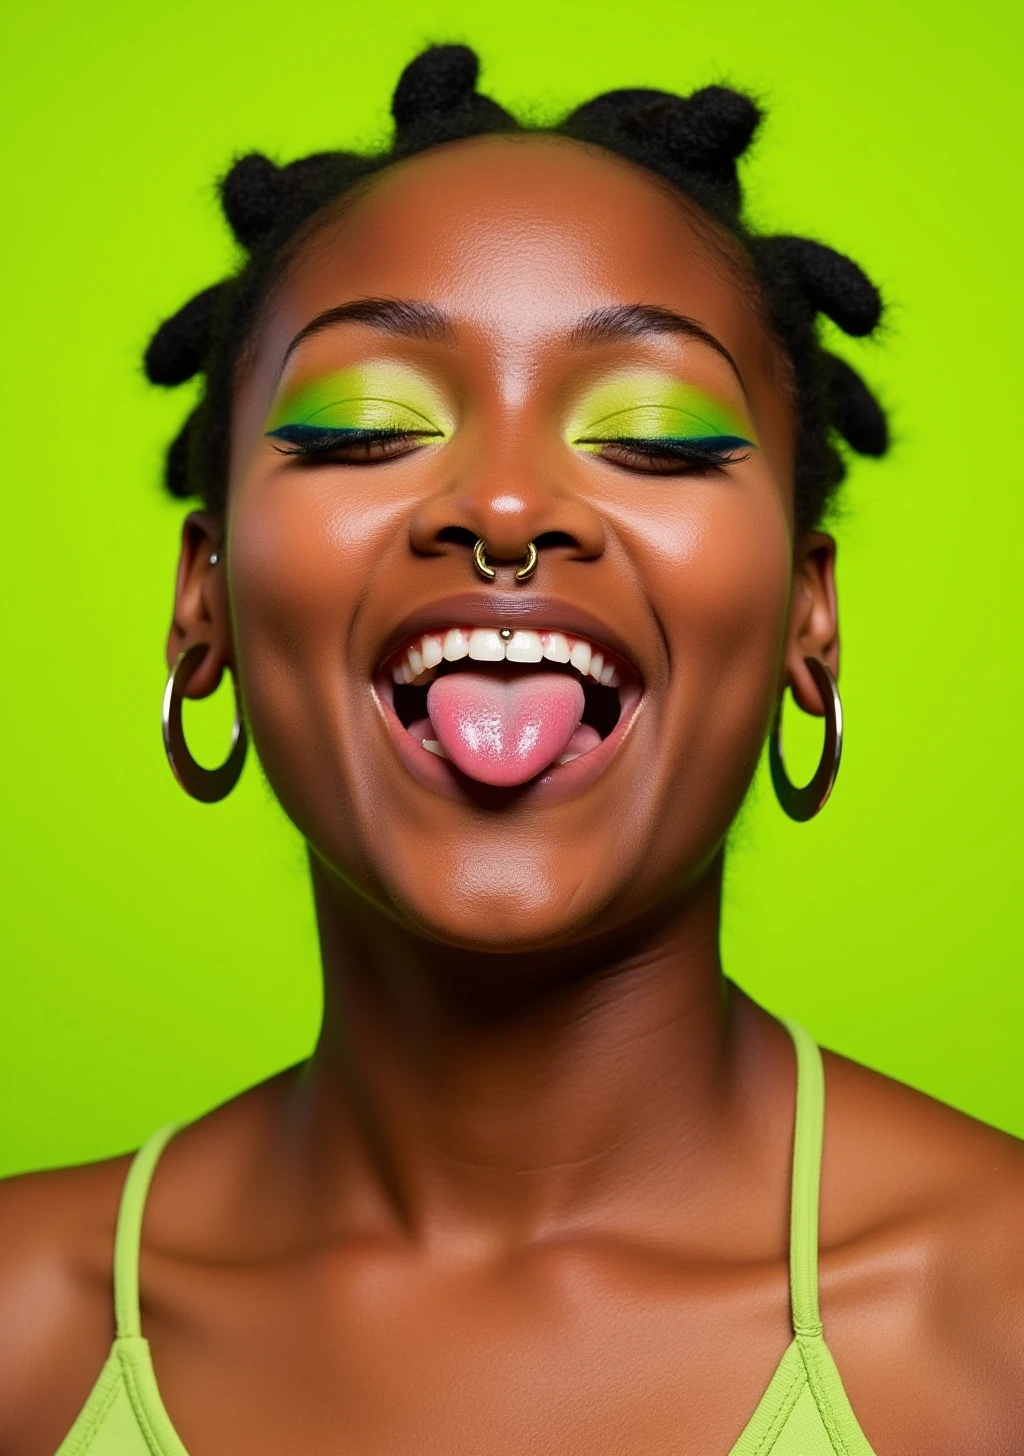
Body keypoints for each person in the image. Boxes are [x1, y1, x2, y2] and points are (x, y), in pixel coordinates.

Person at [0, 44, 1021, 1456]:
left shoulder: (999, 1327)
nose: (501, 503)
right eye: (364, 427)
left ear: (807, 617)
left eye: (655, 434)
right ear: (204, 604)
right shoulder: (21, 1331)